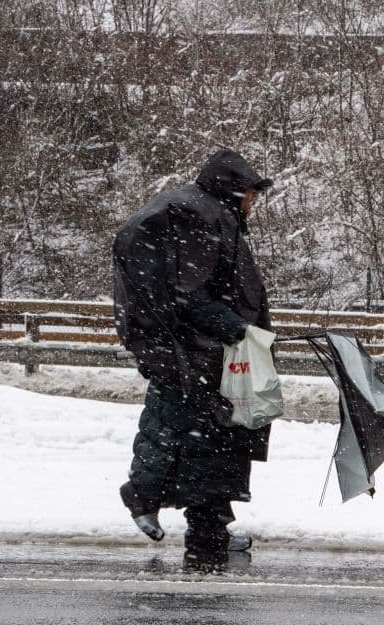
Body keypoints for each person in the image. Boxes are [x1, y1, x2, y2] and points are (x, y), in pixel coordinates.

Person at [112, 148, 274, 566]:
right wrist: (235, 327)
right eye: (251, 194)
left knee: (207, 439)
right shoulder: (201, 219)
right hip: (198, 354)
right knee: (206, 440)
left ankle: (204, 523)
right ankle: (184, 518)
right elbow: (189, 295)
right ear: (233, 189)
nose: (254, 203)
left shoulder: (212, 215)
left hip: (204, 354)